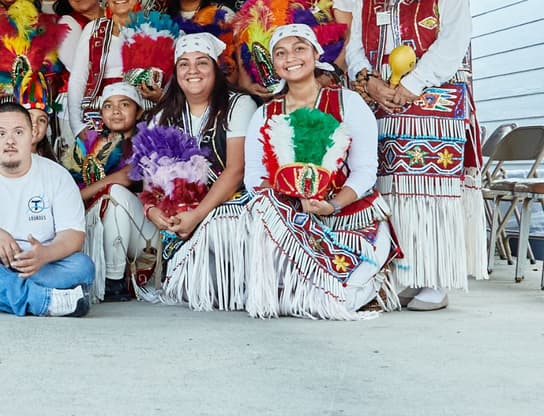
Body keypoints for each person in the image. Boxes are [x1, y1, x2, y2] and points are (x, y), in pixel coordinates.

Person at [346, 0, 484, 312]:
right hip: (380, 104)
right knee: (387, 189)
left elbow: (453, 40)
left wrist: (409, 85)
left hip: (434, 104)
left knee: (428, 191)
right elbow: (353, 49)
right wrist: (369, 81)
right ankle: (405, 273)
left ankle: (435, 276)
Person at [243, 25, 396, 320]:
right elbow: (253, 176)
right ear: (274, 63)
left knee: (339, 300)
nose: (291, 57)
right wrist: (288, 203)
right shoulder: (265, 113)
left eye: (299, 48)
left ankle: (367, 285)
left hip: (350, 214)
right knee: (293, 299)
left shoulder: (348, 102)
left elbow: (365, 170)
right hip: (290, 220)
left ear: (315, 53)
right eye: (281, 53)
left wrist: (333, 204)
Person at [0, 104, 94, 317]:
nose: (9, 141)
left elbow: (74, 236)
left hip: (40, 264)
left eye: (18, 132)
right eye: (1, 133)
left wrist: (45, 254)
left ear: (32, 135)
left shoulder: (57, 176)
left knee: (82, 267)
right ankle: (46, 302)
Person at [145, 33, 257, 311]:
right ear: (176, 71)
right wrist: (153, 210)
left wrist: (196, 215)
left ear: (215, 68)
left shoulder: (238, 105)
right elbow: (150, 180)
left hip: (227, 209)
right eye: (183, 64)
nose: (192, 70)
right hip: (182, 216)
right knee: (191, 290)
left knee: (216, 286)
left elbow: (235, 170)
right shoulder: (162, 116)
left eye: (201, 63)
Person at [62, 83, 156, 303]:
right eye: (108, 106)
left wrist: (88, 193)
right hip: (98, 229)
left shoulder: (147, 140)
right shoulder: (86, 143)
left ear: (139, 111)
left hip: (144, 236)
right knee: (108, 193)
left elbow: (126, 177)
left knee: (115, 193)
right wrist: (103, 184)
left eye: (124, 104)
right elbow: (66, 189)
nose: (115, 111)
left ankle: (114, 281)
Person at [66, 0, 144, 137]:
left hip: (145, 112)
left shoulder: (157, 27)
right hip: (99, 113)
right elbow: (78, 77)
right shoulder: (94, 29)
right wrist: (77, 125)